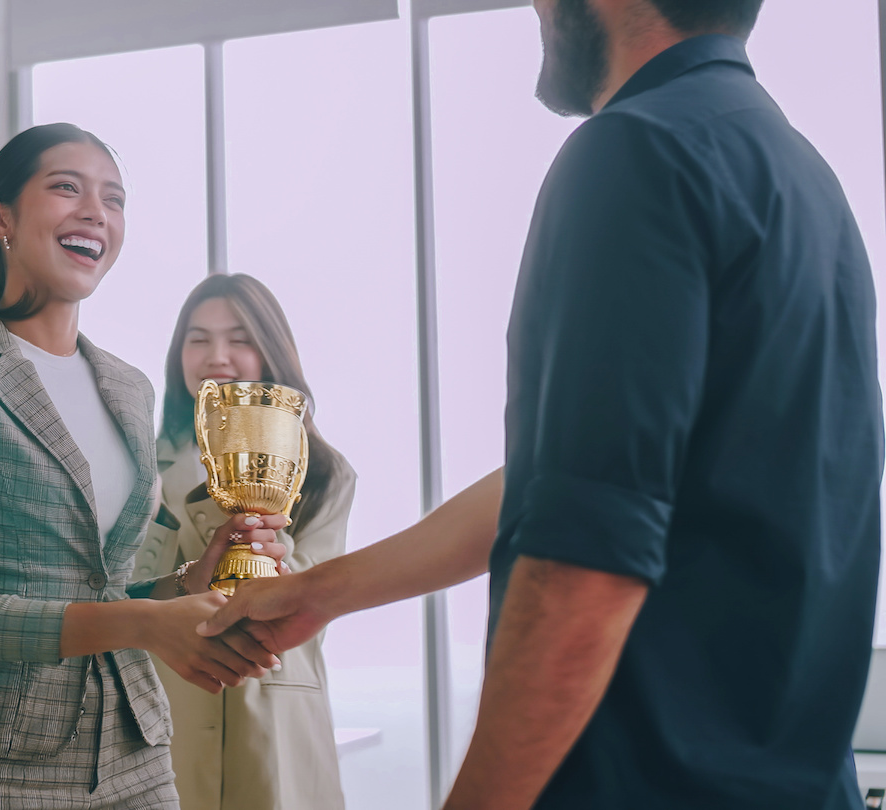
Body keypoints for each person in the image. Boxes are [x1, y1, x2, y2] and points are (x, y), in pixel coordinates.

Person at [202, 1, 883, 808]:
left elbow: (583, 564)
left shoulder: (636, 150)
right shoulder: (799, 174)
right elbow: (569, 482)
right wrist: (313, 594)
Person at [0, 123, 287, 809]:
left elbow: (107, 592)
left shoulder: (127, 387)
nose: (95, 212)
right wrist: (141, 626)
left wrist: (186, 583)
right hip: (1, 762)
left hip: (138, 750)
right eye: (66, 188)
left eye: (113, 197)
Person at [129, 273, 355, 809]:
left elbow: (306, 592)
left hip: (276, 708)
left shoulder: (323, 472)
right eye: (198, 338)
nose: (217, 355)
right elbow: (126, 589)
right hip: (168, 708)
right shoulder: (138, 463)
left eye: (240, 337)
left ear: (270, 350)